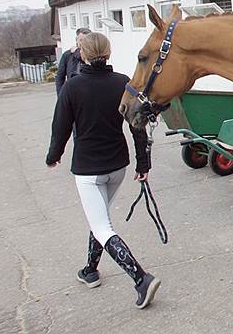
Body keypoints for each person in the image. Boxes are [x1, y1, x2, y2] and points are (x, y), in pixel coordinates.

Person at [46, 31, 161, 309]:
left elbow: (60, 127)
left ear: (82, 54)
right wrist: (142, 163)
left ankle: (141, 279)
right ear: (108, 53)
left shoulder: (72, 87)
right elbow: (137, 126)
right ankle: (90, 270)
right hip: (117, 166)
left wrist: (53, 156)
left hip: (88, 169)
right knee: (100, 217)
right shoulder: (122, 83)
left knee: (100, 224)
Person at [55, 27, 91, 95]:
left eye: (86, 40)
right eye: (81, 40)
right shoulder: (67, 55)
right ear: (76, 40)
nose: (83, 43)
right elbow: (60, 77)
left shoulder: (93, 55)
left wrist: (77, 52)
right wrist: (60, 95)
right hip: (72, 93)